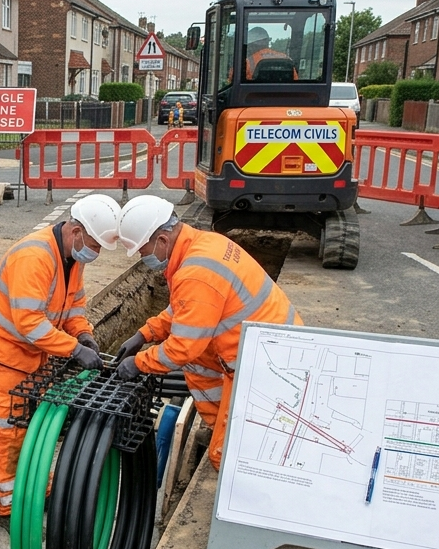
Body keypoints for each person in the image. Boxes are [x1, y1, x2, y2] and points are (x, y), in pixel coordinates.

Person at [112, 195, 303, 469]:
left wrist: (139, 363)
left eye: (143, 252)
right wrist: (144, 334)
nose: (145, 258)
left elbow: (181, 347)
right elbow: (185, 311)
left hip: (269, 365)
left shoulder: (196, 272)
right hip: (265, 345)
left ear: (163, 241)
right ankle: (218, 423)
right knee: (196, 361)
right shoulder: (205, 243)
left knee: (223, 458)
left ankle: (232, 447)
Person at [0, 195, 123, 532]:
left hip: (32, 352)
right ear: (76, 231)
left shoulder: (72, 257)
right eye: (94, 244)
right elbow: (29, 323)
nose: (95, 253)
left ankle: (40, 485)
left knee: (32, 425)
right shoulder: (35, 257)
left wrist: (83, 334)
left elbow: (74, 306)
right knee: (7, 430)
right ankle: (7, 507)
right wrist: (73, 349)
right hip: (3, 353)